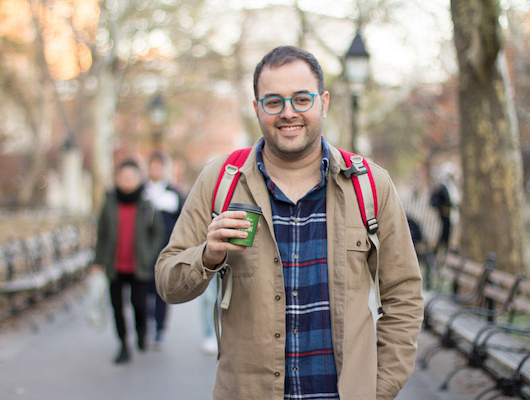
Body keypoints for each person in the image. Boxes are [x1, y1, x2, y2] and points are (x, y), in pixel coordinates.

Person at [155, 46, 423, 399]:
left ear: (323, 102)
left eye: (301, 99)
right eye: (273, 102)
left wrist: (379, 388)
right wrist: (207, 256)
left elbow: (403, 294)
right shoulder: (220, 181)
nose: (288, 113)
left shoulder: (370, 186)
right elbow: (167, 281)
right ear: (257, 109)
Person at [92, 159, 164, 364]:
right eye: (123, 177)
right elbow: (102, 234)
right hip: (114, 265)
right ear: (117, 179)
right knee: (117, 307)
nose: (126, 181)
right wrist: (98, 261)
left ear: (138, 179)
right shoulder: (109, 203)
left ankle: (141, 332)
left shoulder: (147, 204)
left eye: (131, 177)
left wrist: (149, 255)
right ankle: (123, 345)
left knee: (139, 305)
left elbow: (157, 234)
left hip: (139, 266)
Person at [142, 151, 184, 349]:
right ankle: (145, 323)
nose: (155, 170)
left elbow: (182, 222)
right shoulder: (141, 192)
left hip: (166, 251)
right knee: (143, 289)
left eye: (159, 166)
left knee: (161, 289)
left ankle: (159, 329)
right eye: (152, 166)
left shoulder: (174, 194)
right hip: (142, 252)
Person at [430, 163, 460, 256]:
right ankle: (439, 251)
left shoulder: (449, 186)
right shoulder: (443, 186)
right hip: (445, 214)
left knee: (447, 232)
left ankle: (443, 250)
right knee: (444, 232)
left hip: (450, 213)